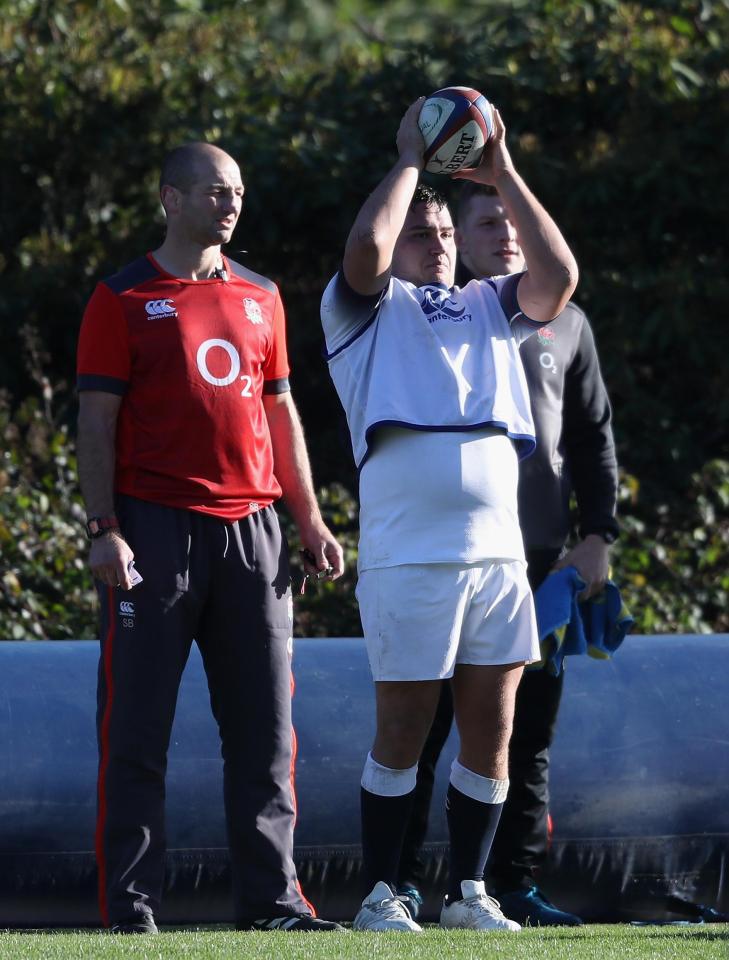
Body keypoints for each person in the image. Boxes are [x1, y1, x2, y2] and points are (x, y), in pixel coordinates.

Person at [320, 98, 579, 932]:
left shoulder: (488, 304)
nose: (435, 244)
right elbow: (364, 251)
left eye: (443, 232)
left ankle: (469, 892)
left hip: (496, 555)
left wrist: (499, 168)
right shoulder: (362, 310)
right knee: (403, 725)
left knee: (492, 730)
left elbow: (560, 279)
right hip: (409, 554)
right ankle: (379, 893)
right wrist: (407, 160)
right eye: (419, 234)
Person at [76, 142, 345, 934]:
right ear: (170, 198)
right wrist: (104, 528)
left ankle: (274, 906)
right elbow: (97, 419)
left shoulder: (262, 295)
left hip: (253, 534)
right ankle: (130, 912)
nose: (229, 205)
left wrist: (310, 518)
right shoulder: (121, 297)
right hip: (153, 530)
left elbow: (280, 412)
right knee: (136, 731)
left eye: (237, 191)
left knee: (266, 733)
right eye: (213, 191)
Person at [396, 182, 619, 927]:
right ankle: (397, 884)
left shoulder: (569, 324)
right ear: (456, 239)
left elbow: (590, 439)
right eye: (488, 220)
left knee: (526, 734)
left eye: (515, 216)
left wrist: (597, 538)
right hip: (446, 555)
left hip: (541, 564)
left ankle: (507, 884)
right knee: (423, 727)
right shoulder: (447, 319)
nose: (509, 230)